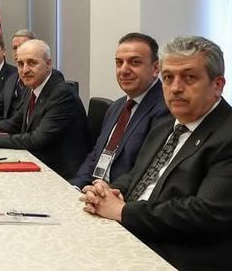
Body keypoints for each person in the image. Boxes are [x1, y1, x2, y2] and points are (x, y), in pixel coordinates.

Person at [80, 35, 232, 271]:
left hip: (183, 261)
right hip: (137, 237)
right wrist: (108, 191)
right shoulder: (167, 126)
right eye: (168, 78)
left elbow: (204, 215)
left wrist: (123, 211)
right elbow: (136, 176)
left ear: (217, 85)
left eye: (189, 77)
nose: (175, 88)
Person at [0, 39, 89, 179]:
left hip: (58, 174)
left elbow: (37, 139)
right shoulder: (32, 88)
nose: (25, 70)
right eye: (20, 64)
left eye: (32, 63)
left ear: (48, 64)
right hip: (35, 161)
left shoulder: (62, 94)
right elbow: (14, 124)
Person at [69, 33, 169, 187]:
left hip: (120, 194)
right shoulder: (116, 106)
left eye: (135, 62)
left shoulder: (166, 109)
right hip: (94, 189)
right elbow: (96, 155)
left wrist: (106, 192)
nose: (124, 70)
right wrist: (76, 186)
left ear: (156, 68)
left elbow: (145, 171)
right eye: (119, 63)